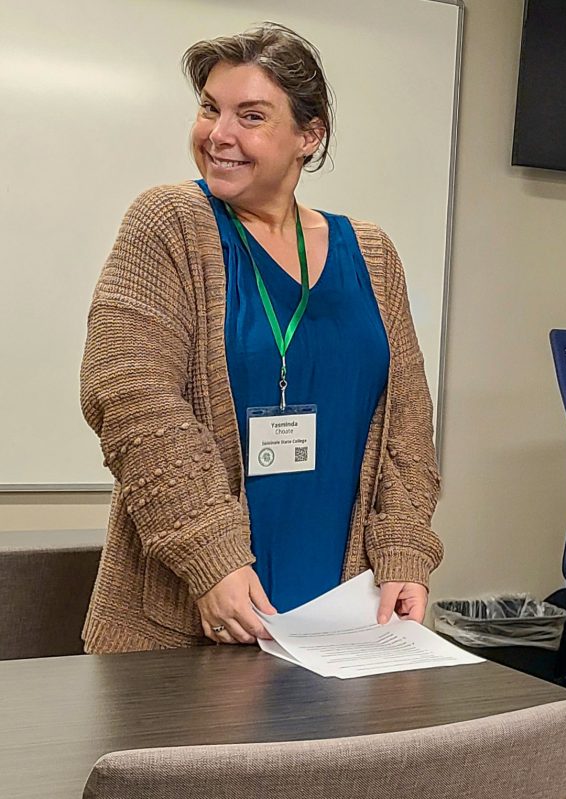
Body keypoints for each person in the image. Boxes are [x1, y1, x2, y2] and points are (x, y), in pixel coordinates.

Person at [80, 23, 442, 653]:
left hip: (344, 612)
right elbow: (129, 394)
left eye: (250, 116)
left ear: (310, 134)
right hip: (197, 606)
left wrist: (405, 548)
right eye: (209, 110)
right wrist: (211, 556)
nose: (219, 135)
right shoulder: (166, 223)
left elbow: (407, 419)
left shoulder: (374, 254)